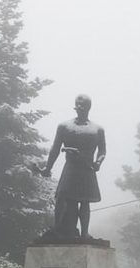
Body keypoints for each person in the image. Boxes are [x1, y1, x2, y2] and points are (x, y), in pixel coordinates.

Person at [39, 94, 106, 239]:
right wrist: (48, 168)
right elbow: (55, 149)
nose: (80, 107)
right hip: (71, 167)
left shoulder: (97, 129)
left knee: (85, 201)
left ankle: (84, 233)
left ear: (89, 107)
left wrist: (98, 162)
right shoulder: (64, 126)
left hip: (87, 168)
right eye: (78, 104)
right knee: (63, 199)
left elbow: (102, 151)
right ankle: (61, 229)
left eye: (83, 105)